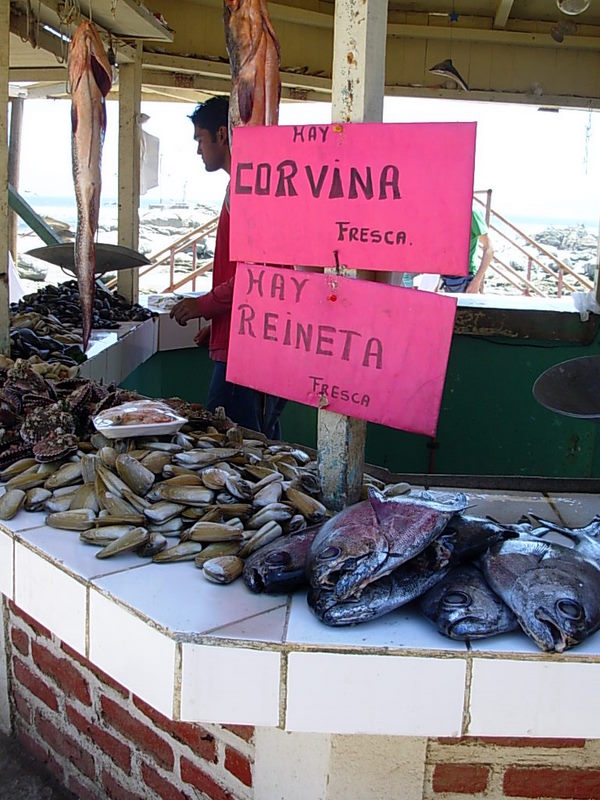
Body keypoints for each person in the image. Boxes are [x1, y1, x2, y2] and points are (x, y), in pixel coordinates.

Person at [169, 96, 286, 439]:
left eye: (199, 140)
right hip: (252, 338)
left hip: (248, 350)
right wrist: (219, 327)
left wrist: (202, 306)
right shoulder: (252, 185)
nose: (198, 150)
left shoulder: (246, 189)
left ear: (222, 135)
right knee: (263, 444)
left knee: (232, 444)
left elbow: (256, 275)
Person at [440, 207, 494, 294]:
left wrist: (476, 281)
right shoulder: (442, 208)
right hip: (442, 277)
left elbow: (489, 248)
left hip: (464, 278)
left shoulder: (472, 211)